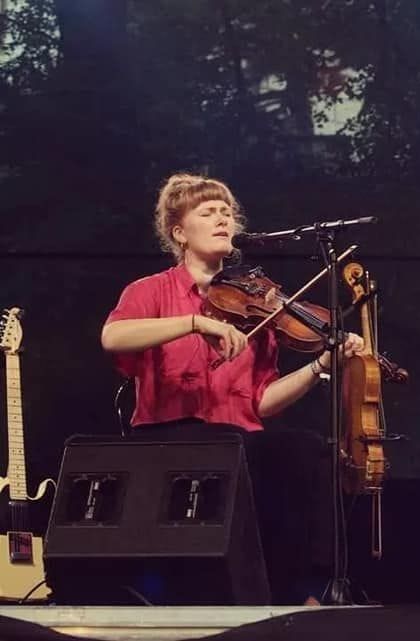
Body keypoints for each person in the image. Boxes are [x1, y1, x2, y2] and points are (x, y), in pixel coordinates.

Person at [101, 173, 363, 604]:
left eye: (227, 212)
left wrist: (320, 364)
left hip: (238, 440)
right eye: (208, 213)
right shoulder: (150, 291)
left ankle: (299, 591)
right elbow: (113, 338)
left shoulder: (256, 302)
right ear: (179, 232)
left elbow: (261, 402)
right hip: (169, 436)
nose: (223, 219)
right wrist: (193, 322)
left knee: (308, 451)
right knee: (233, 448)